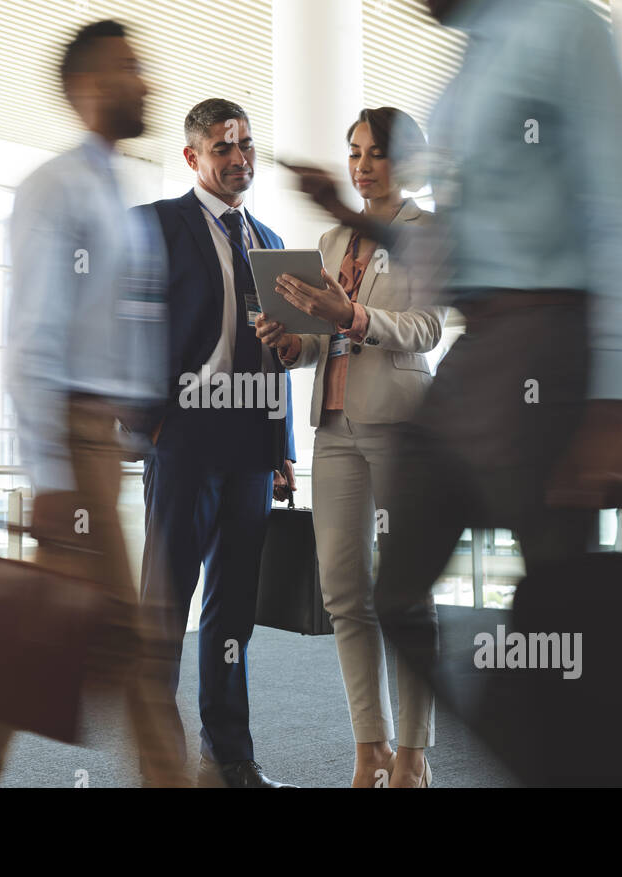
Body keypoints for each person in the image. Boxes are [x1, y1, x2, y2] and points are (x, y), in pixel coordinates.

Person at [288, 0, 622, 770]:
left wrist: (612, 406)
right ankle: (522, 752)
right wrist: (344, 213)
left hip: (553, 350)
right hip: (481, 354)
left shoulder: (566, 27)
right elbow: (452, 256)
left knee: (560, 607)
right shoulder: (465, 61)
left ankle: (556, 754)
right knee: (392, 596)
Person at [0, 19, 186, 788]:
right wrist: (49, 471)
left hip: (106, 443)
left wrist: (136, 426)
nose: (145, 80)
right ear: (86, 90)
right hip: (75, 443)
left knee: (36, 641)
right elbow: (33, 338)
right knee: (135, 647)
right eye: (128, 68)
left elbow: (122, 326)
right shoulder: (55, 189)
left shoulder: (119, 190)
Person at [257, 107, 449, 788]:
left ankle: (413, 752)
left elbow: (427, 328)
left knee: (407, 590)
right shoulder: (336, 239)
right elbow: (321, 338)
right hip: (333, 427)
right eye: (355, 152)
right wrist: (293, 342)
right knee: (343, 590)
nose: (362, 165)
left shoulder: (427, 232)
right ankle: (370, 745)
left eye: (377, 154)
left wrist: (356, 315)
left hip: (400, 422)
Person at [134, 98, 297, 789]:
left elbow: (283, 355)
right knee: (166, 604)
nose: (240, 159)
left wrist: (283, 445)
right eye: (225, 148)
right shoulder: (156, 225)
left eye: (248, 146)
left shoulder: (269, 239)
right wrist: (148, 423)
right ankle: (159, 761)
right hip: (186, 437)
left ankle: (230, 756)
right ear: (193, 156)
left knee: (233, 611)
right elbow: (130, 326)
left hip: (252, 449)